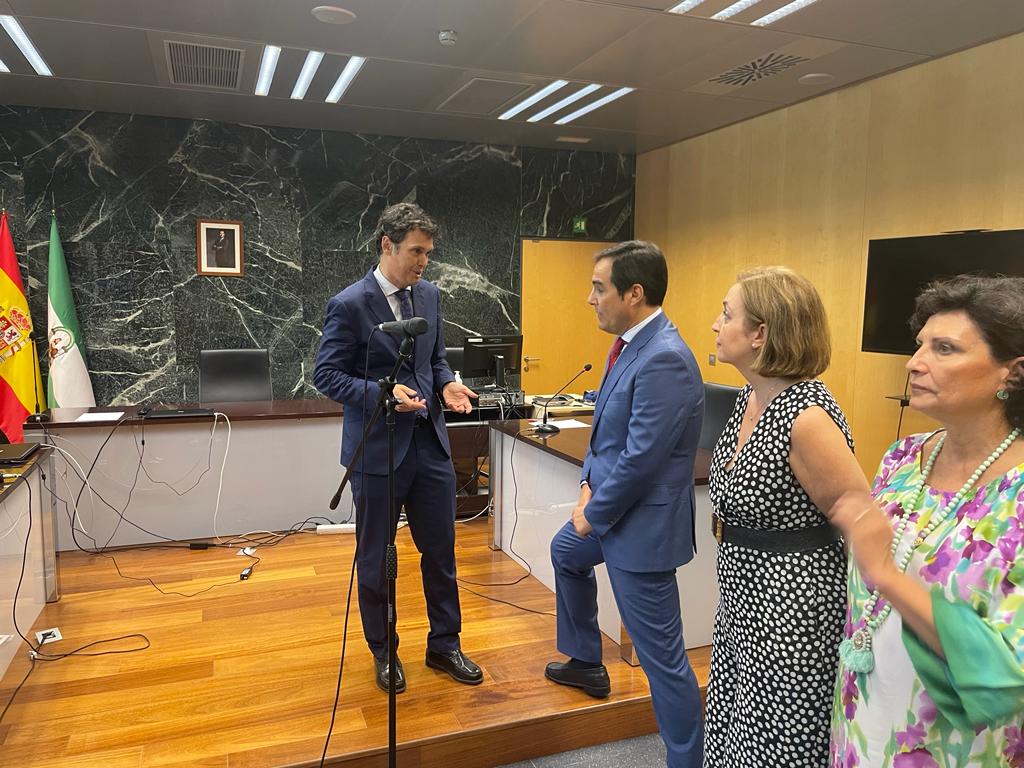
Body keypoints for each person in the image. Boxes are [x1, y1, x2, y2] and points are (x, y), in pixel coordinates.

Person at [832, 275, 1024, 767]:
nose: (914, 363)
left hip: (957, 745)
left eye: (944, 349)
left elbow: (1007, 675)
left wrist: (885, 574)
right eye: (920, 345)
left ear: (1013, 373)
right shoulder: (903, 457)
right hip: (862, 717)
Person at [545, 240, 705, 768]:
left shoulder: (665, 358)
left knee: (664, 663)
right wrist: (586, 484)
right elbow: (606, 437)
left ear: (634, 294)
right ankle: (587, 661)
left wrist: (591, 514)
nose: (590, 298)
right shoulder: (629, 345)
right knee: (565, 553)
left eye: (599, 288)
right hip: (612, 511)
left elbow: (641, 460)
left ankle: (686, 759)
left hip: (642, 532)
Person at [313, 202, 483, 693]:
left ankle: (444, 644)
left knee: (441, 552)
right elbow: (326, 375)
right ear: (386, 245)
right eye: (416, 251)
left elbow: (436, 359)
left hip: (430, 445)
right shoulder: (349, 304)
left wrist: (446, 383)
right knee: (376, 558)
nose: (424, 261)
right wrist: (381, 394)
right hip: (378, 449)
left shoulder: (429, 295)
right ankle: (384, 650)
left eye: (428, 252)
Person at [705, 267, 871, 768]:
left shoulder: (807, 416)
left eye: (727, 314)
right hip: (744, 597)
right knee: (736, 728)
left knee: (778, 742)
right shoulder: (751, 398)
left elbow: (859, 517)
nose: (715, 324)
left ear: (761, 333)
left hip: (792, 609)